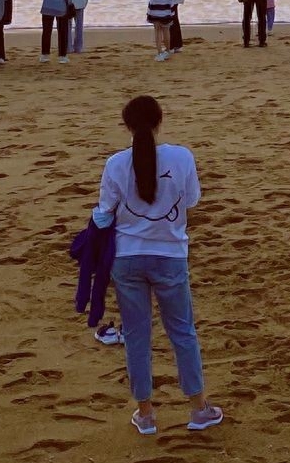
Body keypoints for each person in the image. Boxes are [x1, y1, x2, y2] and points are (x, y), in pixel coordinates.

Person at [91, 94, 221, 434]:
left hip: (128, 257)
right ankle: (198, 408)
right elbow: (192, 199)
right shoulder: (181, 157)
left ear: (128, 126)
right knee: (183, 332)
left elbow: (104, 212)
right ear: (159, 121)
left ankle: (146, 413)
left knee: (136, 334)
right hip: (169, 255)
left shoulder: (116, 164)